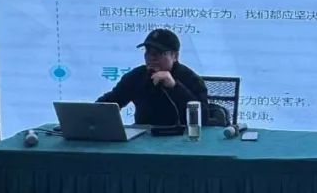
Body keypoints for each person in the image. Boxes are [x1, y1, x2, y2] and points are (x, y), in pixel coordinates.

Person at [97, 28, 228, 127]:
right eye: (148, 52)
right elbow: (111, 101)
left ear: (175, 56)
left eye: (158, 53)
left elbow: (203, 119)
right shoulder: (137, 76)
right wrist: (92, 113)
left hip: (181, 141)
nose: (151, 57)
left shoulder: (191, 79)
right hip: (143, 142)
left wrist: (174, 87)